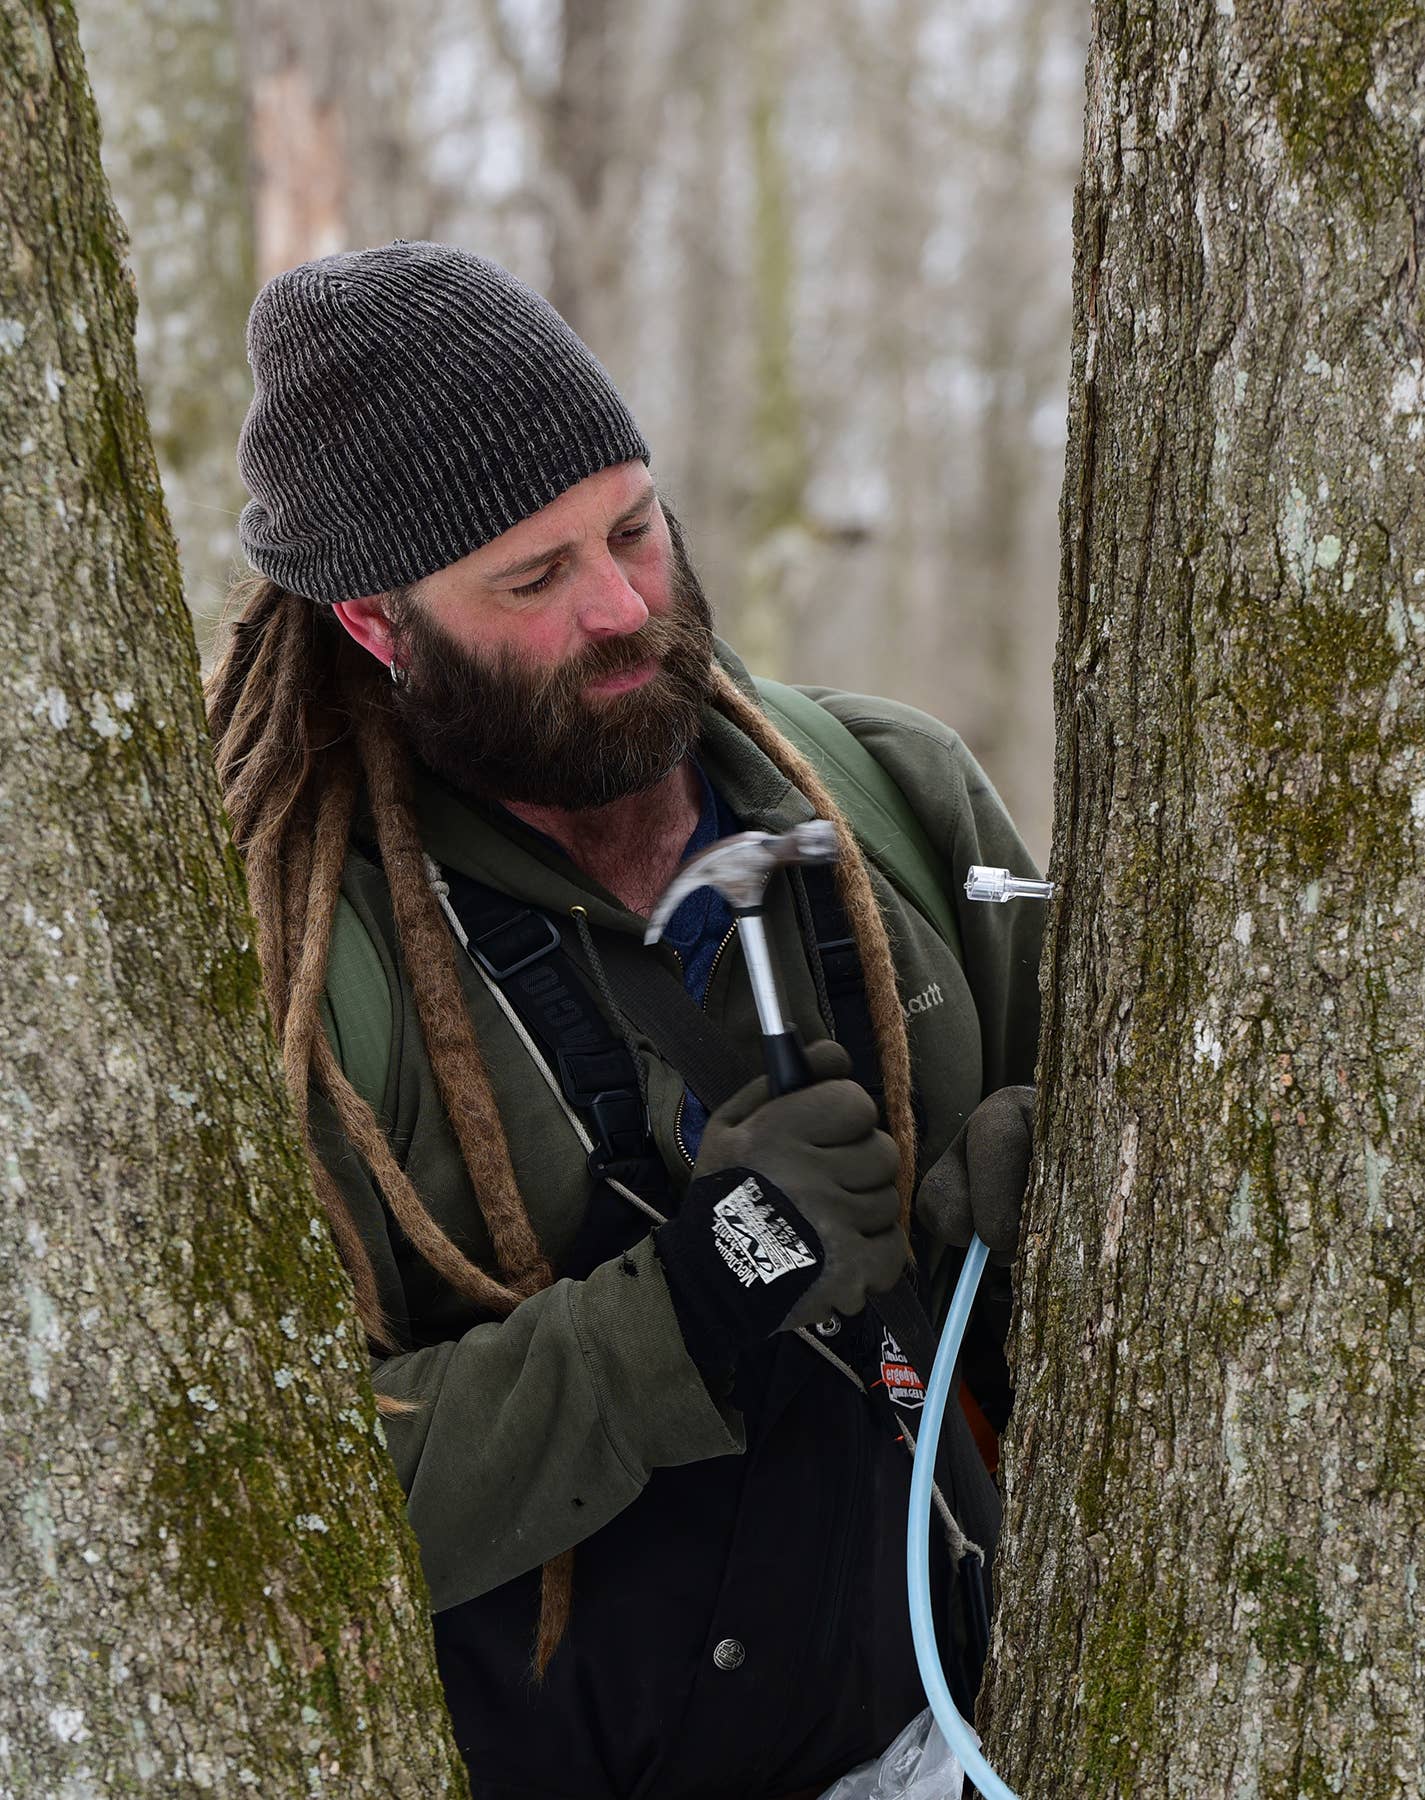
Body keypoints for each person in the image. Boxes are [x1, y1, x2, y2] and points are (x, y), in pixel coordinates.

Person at [209, 239, 1042, 1800]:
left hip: (966, 1736)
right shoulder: (304, 970)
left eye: (633, 527)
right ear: (378, 629)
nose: (620, 608)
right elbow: (260, 1513)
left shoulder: (889, 792)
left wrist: (1045, 1190)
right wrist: (694, 1298)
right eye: (530, 578)